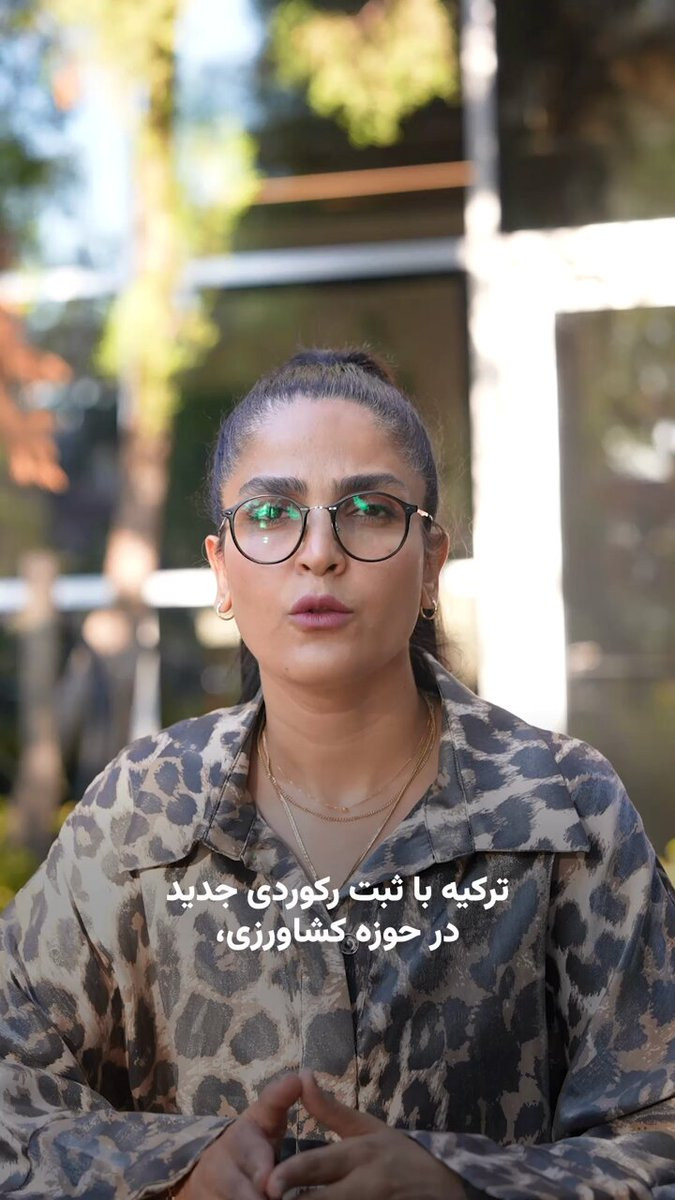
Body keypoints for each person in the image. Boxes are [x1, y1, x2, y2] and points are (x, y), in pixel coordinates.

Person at [0, 346, 673, 1200]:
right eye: (270, 514)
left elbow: (657, 1129)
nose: (318, 553)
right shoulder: (139, 815)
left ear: (430, 563)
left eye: (368, 510)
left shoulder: (563, 806)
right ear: (220, 570)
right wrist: (178, 1172)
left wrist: (463, 1182)